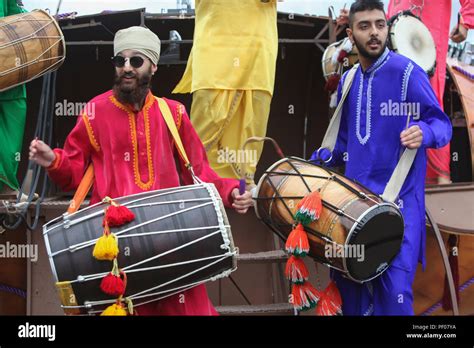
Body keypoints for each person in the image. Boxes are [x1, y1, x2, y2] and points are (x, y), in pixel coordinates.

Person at [29, 26, 253, 315]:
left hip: (170, 240)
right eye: (119, 61)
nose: (126, 68)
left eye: (136, 61)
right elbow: (72, 171)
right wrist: (52, 160)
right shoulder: (95, 111)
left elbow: (198, 173)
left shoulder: (173, 113)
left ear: (153, 66)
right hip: (115, 248)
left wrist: (230, 191)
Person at [311, 0, 452, 315]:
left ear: (387, 28)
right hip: (354, 210)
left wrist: (424, 134)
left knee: (394, 297)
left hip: (398, 209)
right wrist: (319, 160)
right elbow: (345, 141)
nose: (374, 33)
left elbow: (441, 124)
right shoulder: (347, 81)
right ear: (351, 33)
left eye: (379, 24)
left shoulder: (407, 73)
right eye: (364, 26)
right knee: (350, 296)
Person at [340, 0, 474, 184]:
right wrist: (359, 20)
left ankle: (441, 183)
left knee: (429, 110)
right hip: (394, 45)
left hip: (423, 45)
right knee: (391, 111)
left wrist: (467, 20)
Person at [173, 0, 281, 187]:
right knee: (208, 117)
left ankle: (242, 188)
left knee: (252, 119)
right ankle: (198, 185)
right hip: (215, 36)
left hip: (257, 41)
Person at [0, 0, 27, 199]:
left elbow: (16, 13)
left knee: (15, 116)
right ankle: (7, 188)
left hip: (9, 64)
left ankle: (8, 185)